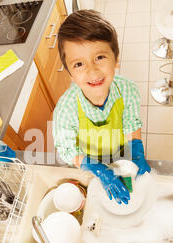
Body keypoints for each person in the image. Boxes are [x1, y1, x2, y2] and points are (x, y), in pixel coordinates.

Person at [52, 10, 151, 205]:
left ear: (116, 59)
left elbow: (132, 123)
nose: (92, 71)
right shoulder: (65, 110)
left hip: (123, 155)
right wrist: (97, 169)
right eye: (79, 64)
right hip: (88, 163)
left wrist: (137, 151)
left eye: (99, 58)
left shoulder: (127, 90)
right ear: (70, 74)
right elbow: (68, 150)